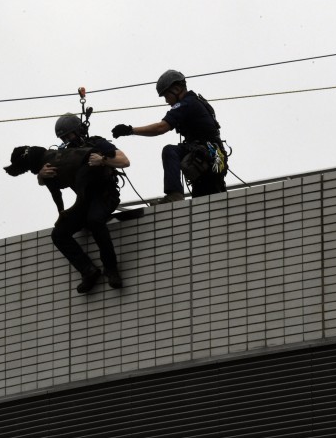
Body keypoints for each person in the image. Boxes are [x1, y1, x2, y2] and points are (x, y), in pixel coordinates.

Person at [42, 113, 130, 293]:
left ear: (79, 131)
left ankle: (111, 268)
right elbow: (46, 180)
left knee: (94, 220)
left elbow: (124, 160)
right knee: (59, 234)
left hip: (105, 195)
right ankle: (88, 270)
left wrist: (103, 159)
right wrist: (41, 174)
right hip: (83, 201)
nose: (67, 140)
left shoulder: (97, 144)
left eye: (69, 135)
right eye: (64, 138)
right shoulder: (64, 155)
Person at [112, 69, 227, 203]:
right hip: (214, 159)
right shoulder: (197, 101)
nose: (167, 101)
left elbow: (160, 128)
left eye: (166, 96)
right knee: (203, 202)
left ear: (177, 89)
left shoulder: (186, 104)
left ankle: (174, 195)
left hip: (207, 156)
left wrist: (130, 130)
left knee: (170, 151)